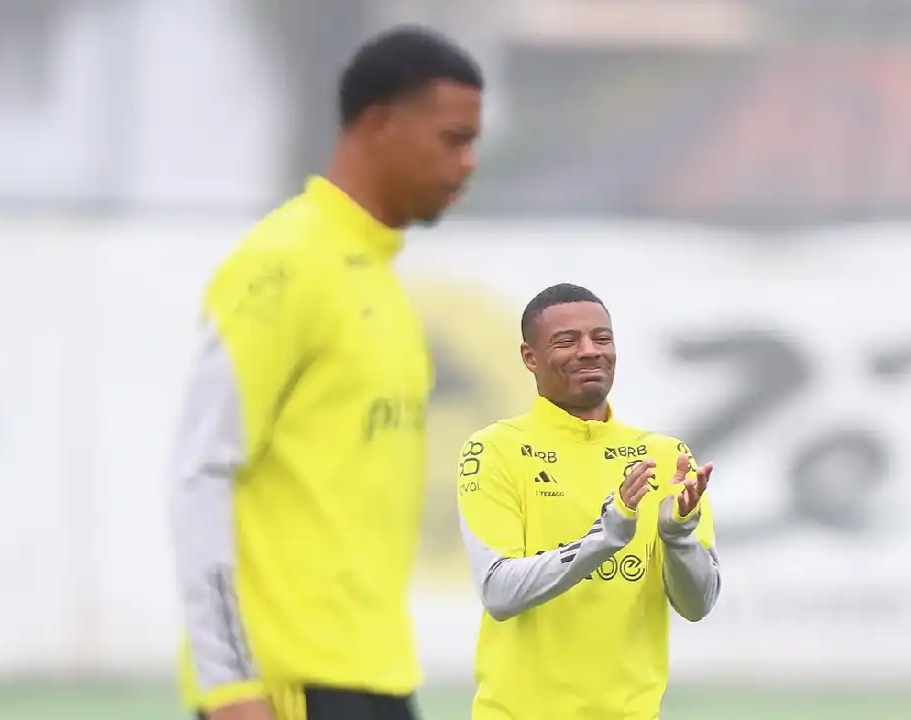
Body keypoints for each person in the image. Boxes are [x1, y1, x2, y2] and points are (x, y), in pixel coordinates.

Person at [168, 26, 483, 720]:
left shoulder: (382, 287)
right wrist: (229, 686)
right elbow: (201, 471)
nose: (468, 163)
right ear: (380, 124)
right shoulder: (282, 266)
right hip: (287, 688)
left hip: (375, 678)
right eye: (453, 139)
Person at [455, 283, 722, 719]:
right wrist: (604, 538)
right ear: (530, 357)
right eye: (566, 341)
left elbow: (698, 604)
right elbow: (499, 592)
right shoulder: (494, 449)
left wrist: (678, 537)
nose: (589, 351)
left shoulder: (666, 456)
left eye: (602, 338)